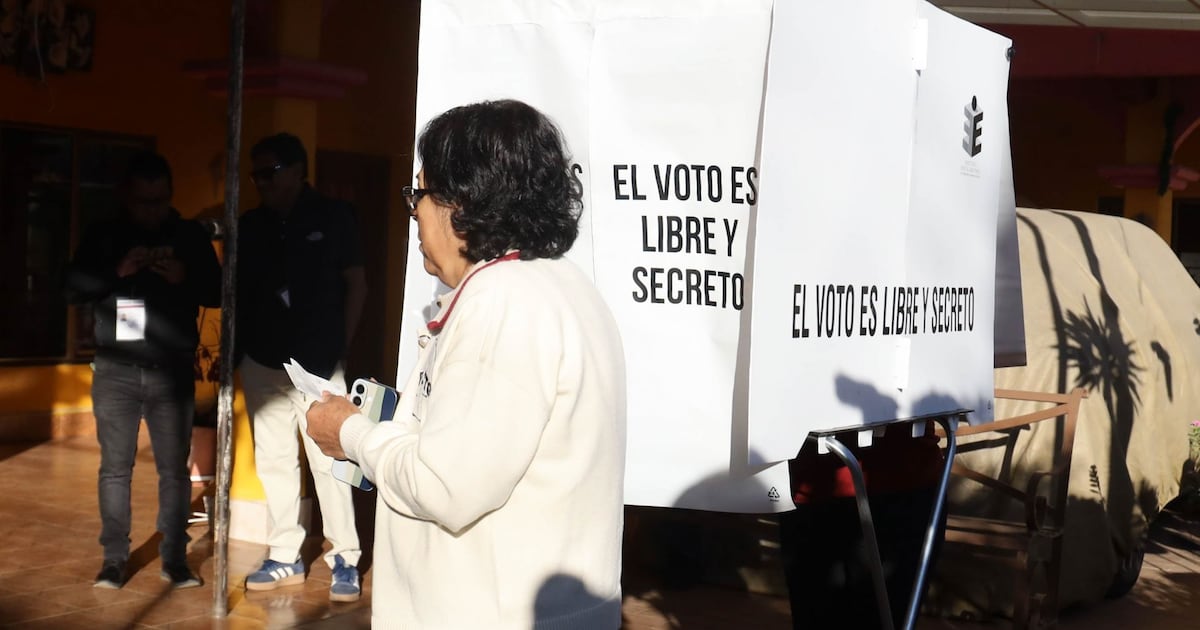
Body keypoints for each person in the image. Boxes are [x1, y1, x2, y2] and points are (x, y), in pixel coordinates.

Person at [306, 100, 627, 628]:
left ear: (464, 200)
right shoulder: (563, 286)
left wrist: (352, 434)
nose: (413, 213)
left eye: (419, 194)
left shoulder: (504, 300)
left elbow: (444, 486)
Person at [65, 151, 221, 589]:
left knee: (174, 469)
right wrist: (118, 271)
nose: (152, 211)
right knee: (115, 468)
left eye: (160, 200)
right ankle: (114, 559)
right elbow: (72, 288)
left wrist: (182, 277)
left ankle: (174, 558)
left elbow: (218, 291)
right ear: (126, 197)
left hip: (170, 371)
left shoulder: (188, 235)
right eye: (143, 202)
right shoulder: (104, 234)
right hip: (115, 371)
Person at [236, 132, 367, 602]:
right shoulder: (251, 224)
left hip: (317, 363)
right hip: (264, 360)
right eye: (256, 174)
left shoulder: (333, 217)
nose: (261, 182)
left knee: (332, 460)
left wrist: (340, 348)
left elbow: (356, 284)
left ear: (296, 171)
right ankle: (284, 553)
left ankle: (344, 557)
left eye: (269, 172)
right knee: (273, 460)